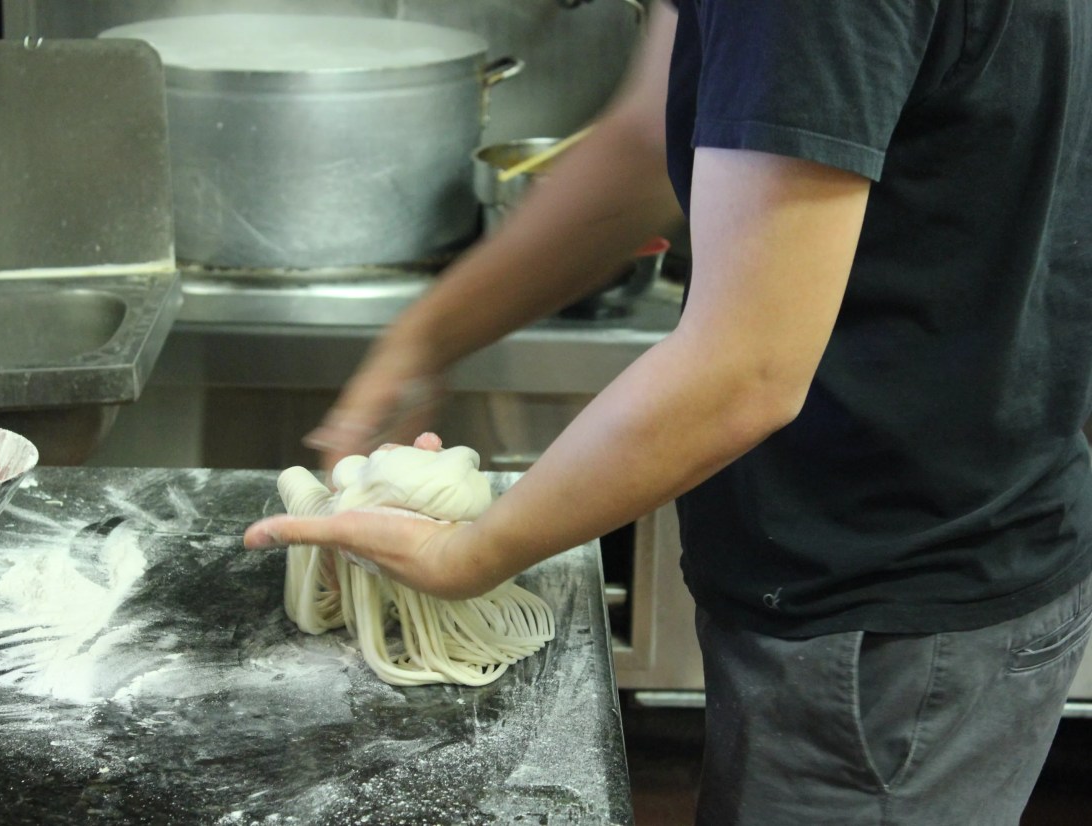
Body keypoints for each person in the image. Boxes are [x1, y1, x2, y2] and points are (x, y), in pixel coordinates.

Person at [246, 2, 1092, 822]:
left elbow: (746, 370)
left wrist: (468, 555)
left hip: (894, 626)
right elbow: (652, 139)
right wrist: (423, 340)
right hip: (902, 559)